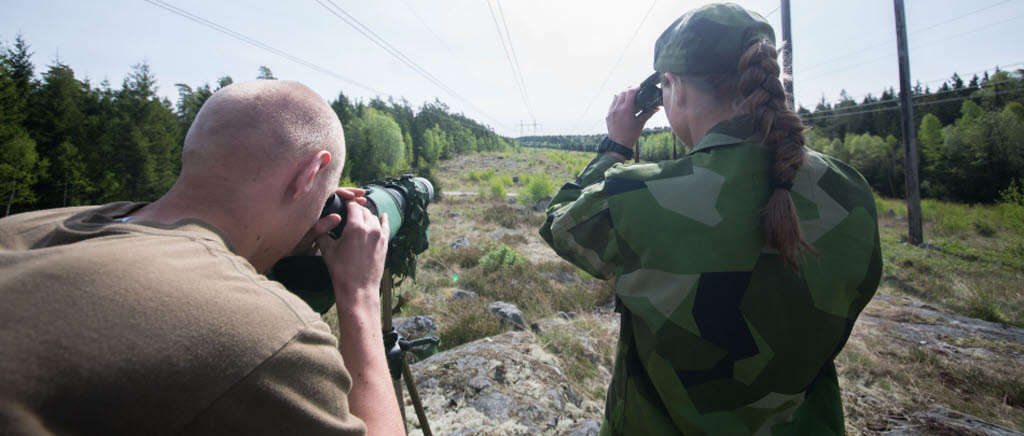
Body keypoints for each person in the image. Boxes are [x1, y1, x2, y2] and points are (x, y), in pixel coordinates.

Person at [540, 3, 882, 435]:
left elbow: (560, 223)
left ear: (674, 88)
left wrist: (615, 148)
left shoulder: (636, 197)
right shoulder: (849, 189)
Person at [0, 81, 404, 435]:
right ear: (310, 174)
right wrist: (360, 294)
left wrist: (273, 249)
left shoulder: (33, 226)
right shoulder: (269, 337)